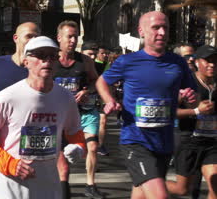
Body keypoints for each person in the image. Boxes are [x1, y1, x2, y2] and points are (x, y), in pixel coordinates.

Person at [96, 11, 197, 199]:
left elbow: (193, 94)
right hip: (136, 141)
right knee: (159, 195)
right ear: (141, 31)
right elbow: (102, 81)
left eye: (165, 27)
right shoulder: (127, 61)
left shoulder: (178, 63)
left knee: (141, 194)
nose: (161, 32)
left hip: (164, 140)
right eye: (156, 27)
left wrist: (190, 97)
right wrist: (109, 100)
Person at [0, 36, 86, 199]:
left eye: (52, 56)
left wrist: (79, 148)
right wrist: (11, 164)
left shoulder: (65, 97)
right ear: (26, 62)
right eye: (40, 55)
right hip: (12, 188)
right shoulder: (7, 97)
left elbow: (75, 133)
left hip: (49, 187)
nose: (47, 60)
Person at [53, 20, 104, 198]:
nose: (73, 41)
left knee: (92, 146)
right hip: (59, 118)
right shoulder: (50, 60)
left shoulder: (85, 61)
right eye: (69, 37)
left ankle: (90, 184)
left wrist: (86, 91)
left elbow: (96, 82)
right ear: (59, 38)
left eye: (76, 37)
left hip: (84, 113)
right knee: (62, 165)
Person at [165, 45, 217, 199]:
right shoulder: (186, 83)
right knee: (182, 190)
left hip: (212, 143)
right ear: (196, 62)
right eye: (207, 61)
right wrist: (196, 111)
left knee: (216, 184)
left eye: (215, 61)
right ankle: (149, 183)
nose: (212, 65)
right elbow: (169, 113)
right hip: (188, 141)